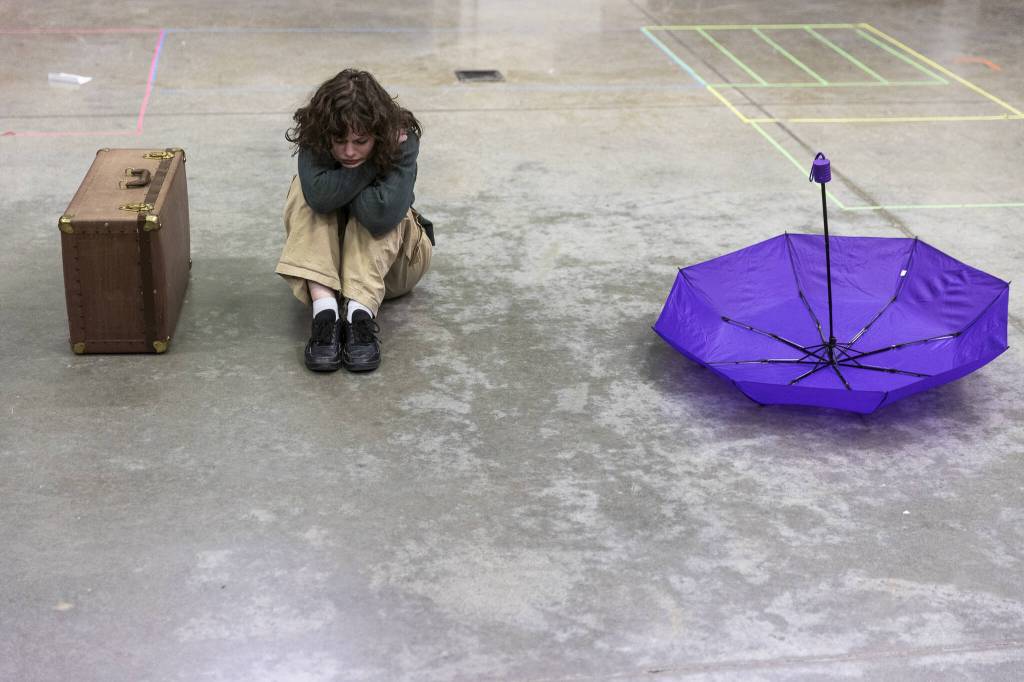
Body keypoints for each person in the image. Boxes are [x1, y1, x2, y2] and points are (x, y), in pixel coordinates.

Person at [277, 69, 434, 373]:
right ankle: (326, 314)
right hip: (332, 271)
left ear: (379, 132)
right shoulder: (316, 132)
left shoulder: (401, 137)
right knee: (305, 192)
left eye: (361, 141)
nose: (349, 152)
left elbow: (380, 216)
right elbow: (320, 198)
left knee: (383, 206)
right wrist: (373, 166)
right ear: (326, 134)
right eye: (339, 141)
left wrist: (343, 183)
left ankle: (359, 315)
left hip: (396, 267)